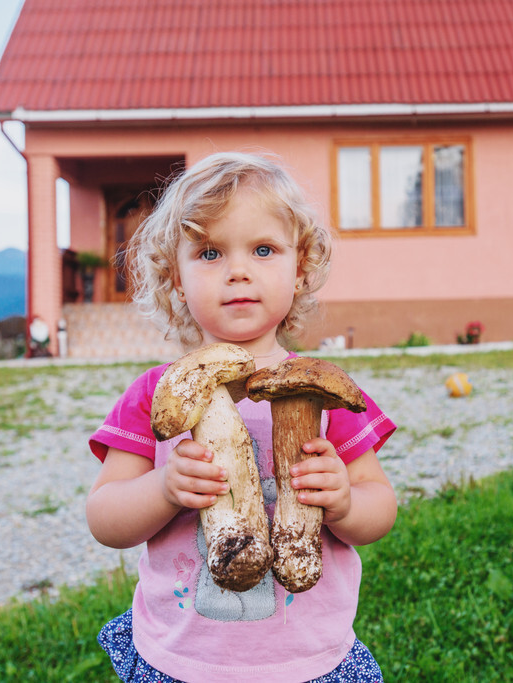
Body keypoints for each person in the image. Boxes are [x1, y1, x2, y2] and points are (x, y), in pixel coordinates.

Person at [86, 152, 398, 682]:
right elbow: (104, 518)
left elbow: (381, 509)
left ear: (300, 270)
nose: (238, 271)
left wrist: (346, 501)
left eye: (263, 249)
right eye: (209, 253)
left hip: (309, 658)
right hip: (184, 659)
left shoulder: (321, 389)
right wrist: (163, 488)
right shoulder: (155, 393)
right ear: (176, 278)